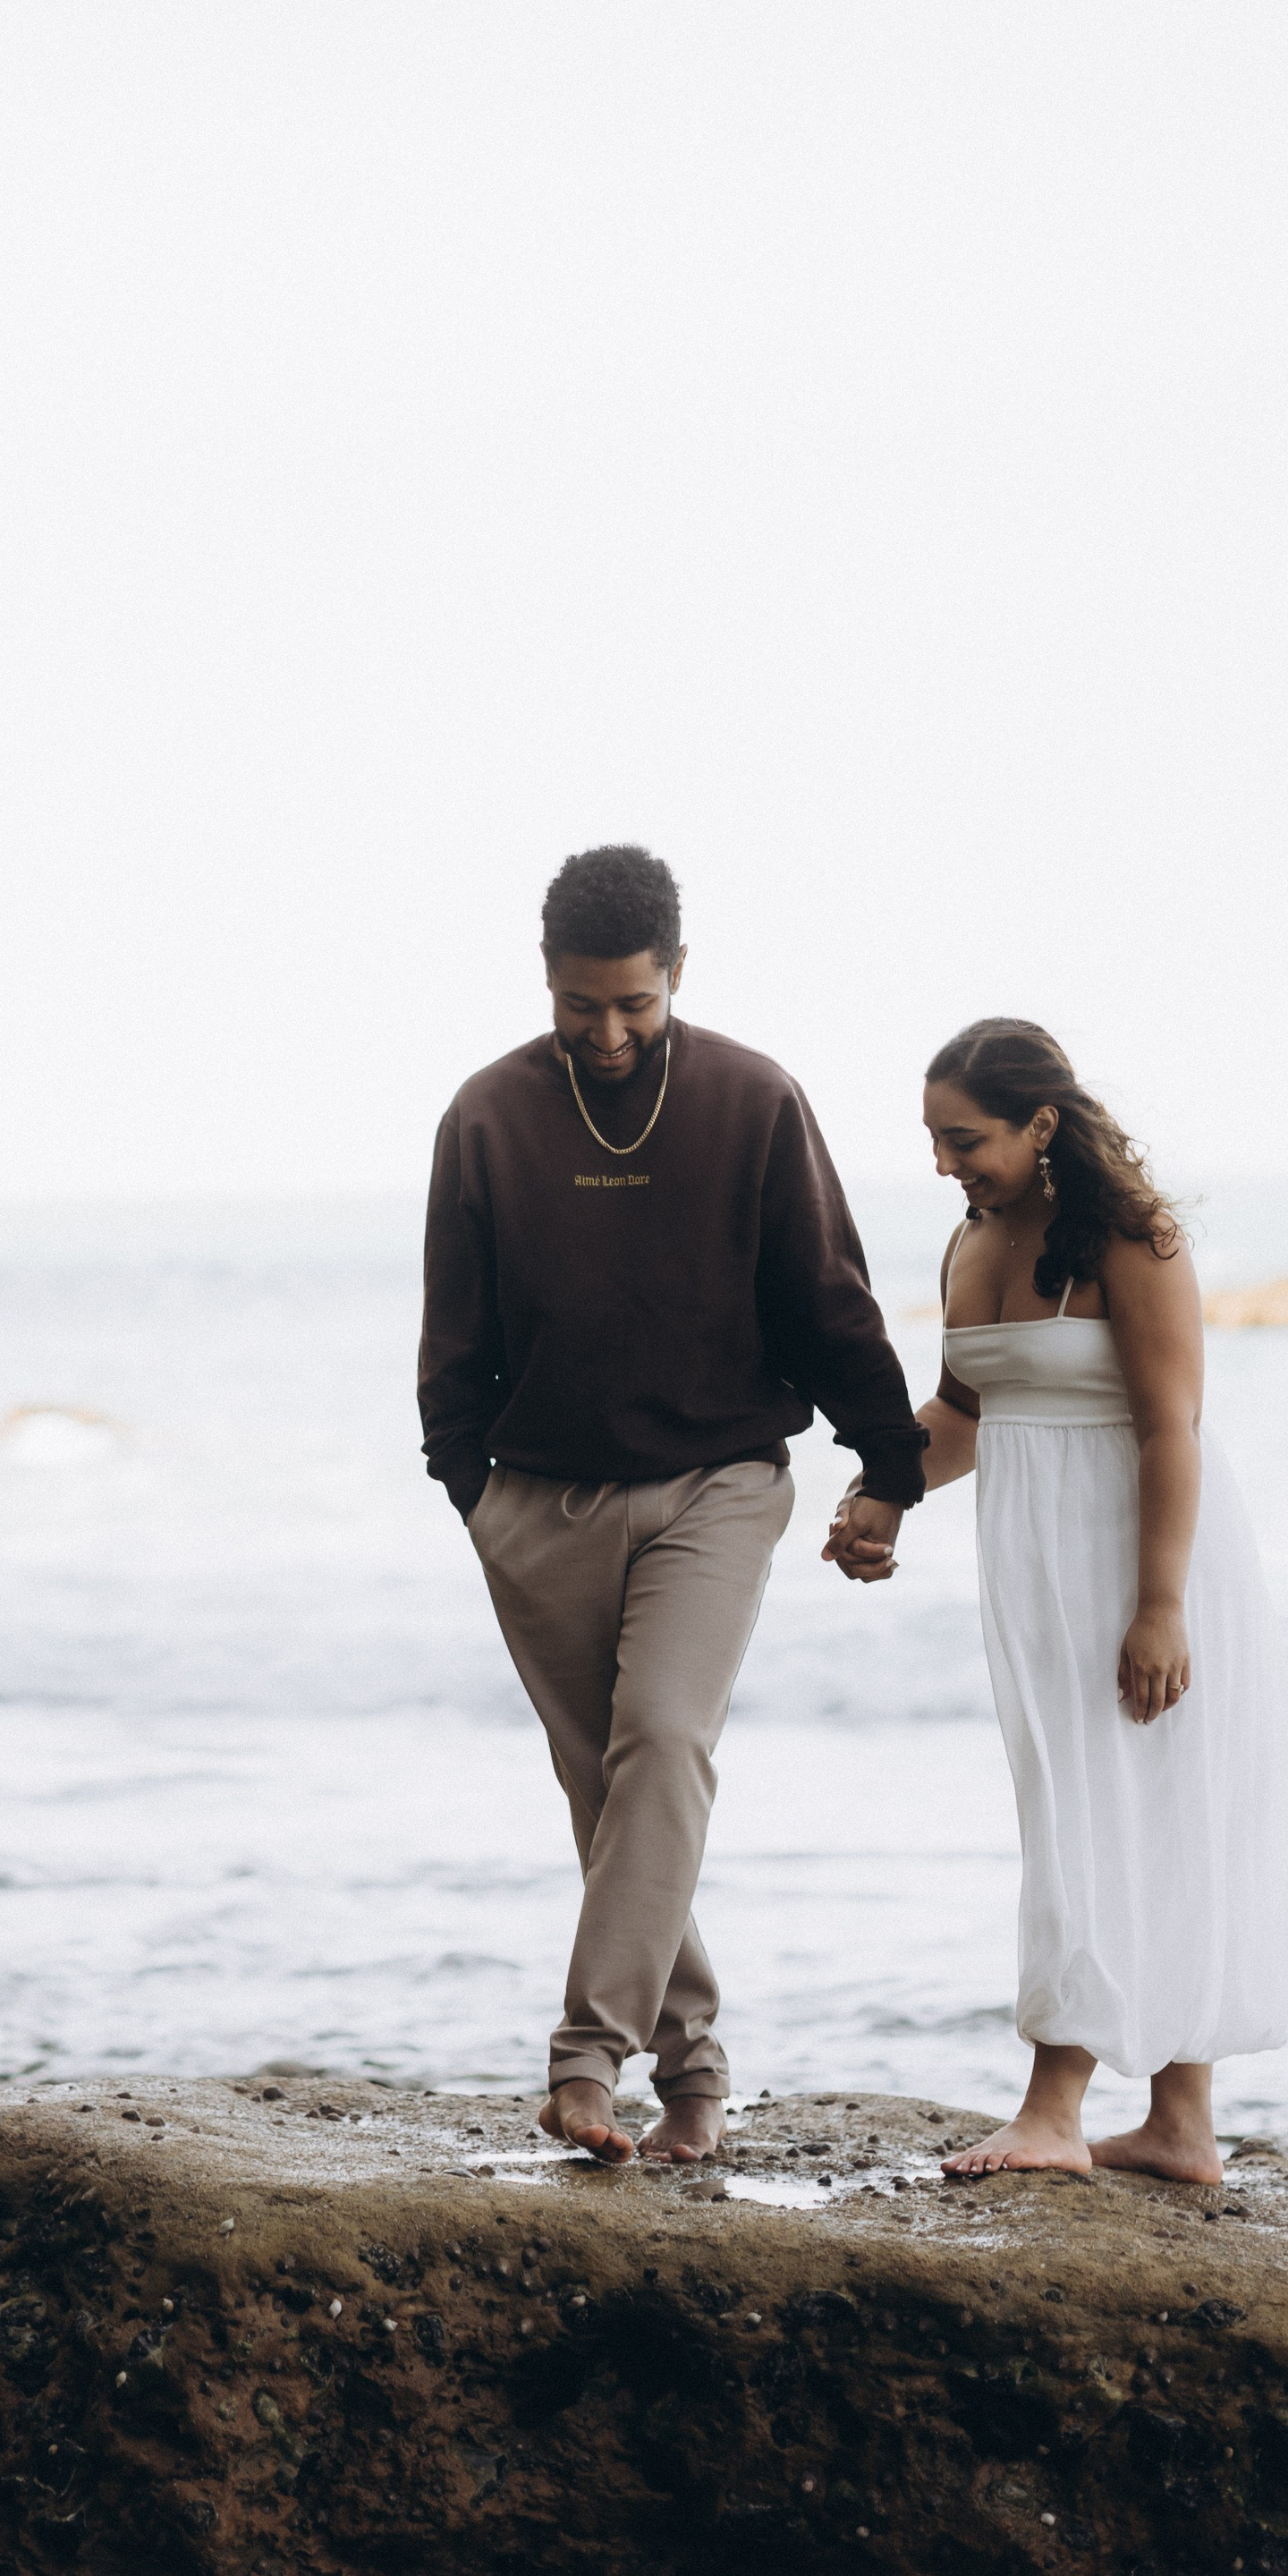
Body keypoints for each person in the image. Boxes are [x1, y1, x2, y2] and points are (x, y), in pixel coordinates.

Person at [419, 843, 924, 2165]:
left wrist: (888, 1462)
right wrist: (471, 1487)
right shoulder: (484, 1117)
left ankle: (585, 2062)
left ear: (677, 976)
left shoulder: (754, 1100)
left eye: (634, 1003)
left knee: (658, 1739)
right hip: (536, 1501)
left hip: (717, 1482)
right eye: (582, 1005)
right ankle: (694, 2067)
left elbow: (827, 1295)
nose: (608, 1031)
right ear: (548, 981)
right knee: (613, 1790)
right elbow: (452, 1334)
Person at [826, 1018, 1288, 2183]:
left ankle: (1055, 2109)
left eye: (967, 1139)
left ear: (1042, 1122)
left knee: (1124, 1813)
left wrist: (1160, 1605)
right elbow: (965, 1411)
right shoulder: (970, 1241)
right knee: (1096, 1807)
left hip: (1145, 1561)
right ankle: (1180, 2125)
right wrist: (882, 1494)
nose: (948, 1164)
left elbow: (1172, 1423)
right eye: (936, 1142)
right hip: (1035, 1573)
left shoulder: (1132, 1240)